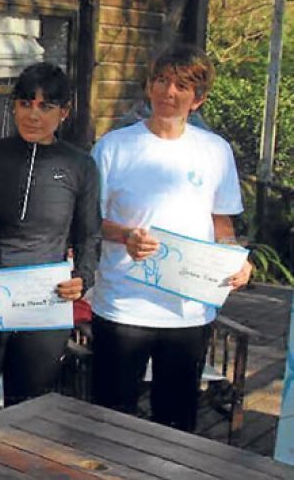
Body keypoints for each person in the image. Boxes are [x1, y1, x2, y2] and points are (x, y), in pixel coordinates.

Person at [90, 44, 252, 432]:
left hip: (189, 310)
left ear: (198, 99)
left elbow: (222, 224)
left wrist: (237, 260)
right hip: (123, 305)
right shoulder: (113, 146)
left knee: (177, 424)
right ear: (149, 88)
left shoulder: (215, 151)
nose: (169, 92)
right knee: (110, 421)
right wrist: (125, 236)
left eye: (182, 85)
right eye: (162, 81)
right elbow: (87, 222)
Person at [0, 62, 101, 423]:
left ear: (64, 112)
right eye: (26, 104)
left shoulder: (80, 166)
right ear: (13, 106)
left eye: (46, 106)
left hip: (44, 306)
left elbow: (89, 235)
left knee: (26, 421)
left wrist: (84, 276)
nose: (33, 115)